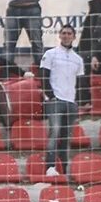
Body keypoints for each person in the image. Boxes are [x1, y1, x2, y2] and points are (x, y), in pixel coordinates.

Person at [40, 23, 84, 179]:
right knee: (54, 132)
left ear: (73, 36)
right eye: (63, 33)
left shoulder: (77, 59)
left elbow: (80, 81)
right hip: (55, 100)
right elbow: (44, 76)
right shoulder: (50, 54)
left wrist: (77, 101)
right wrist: (50, 95)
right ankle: (50, 167)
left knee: (66, 137)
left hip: (70, 102)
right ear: (59, 35)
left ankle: (64, 168)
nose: (66, 36)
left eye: (69, 33)